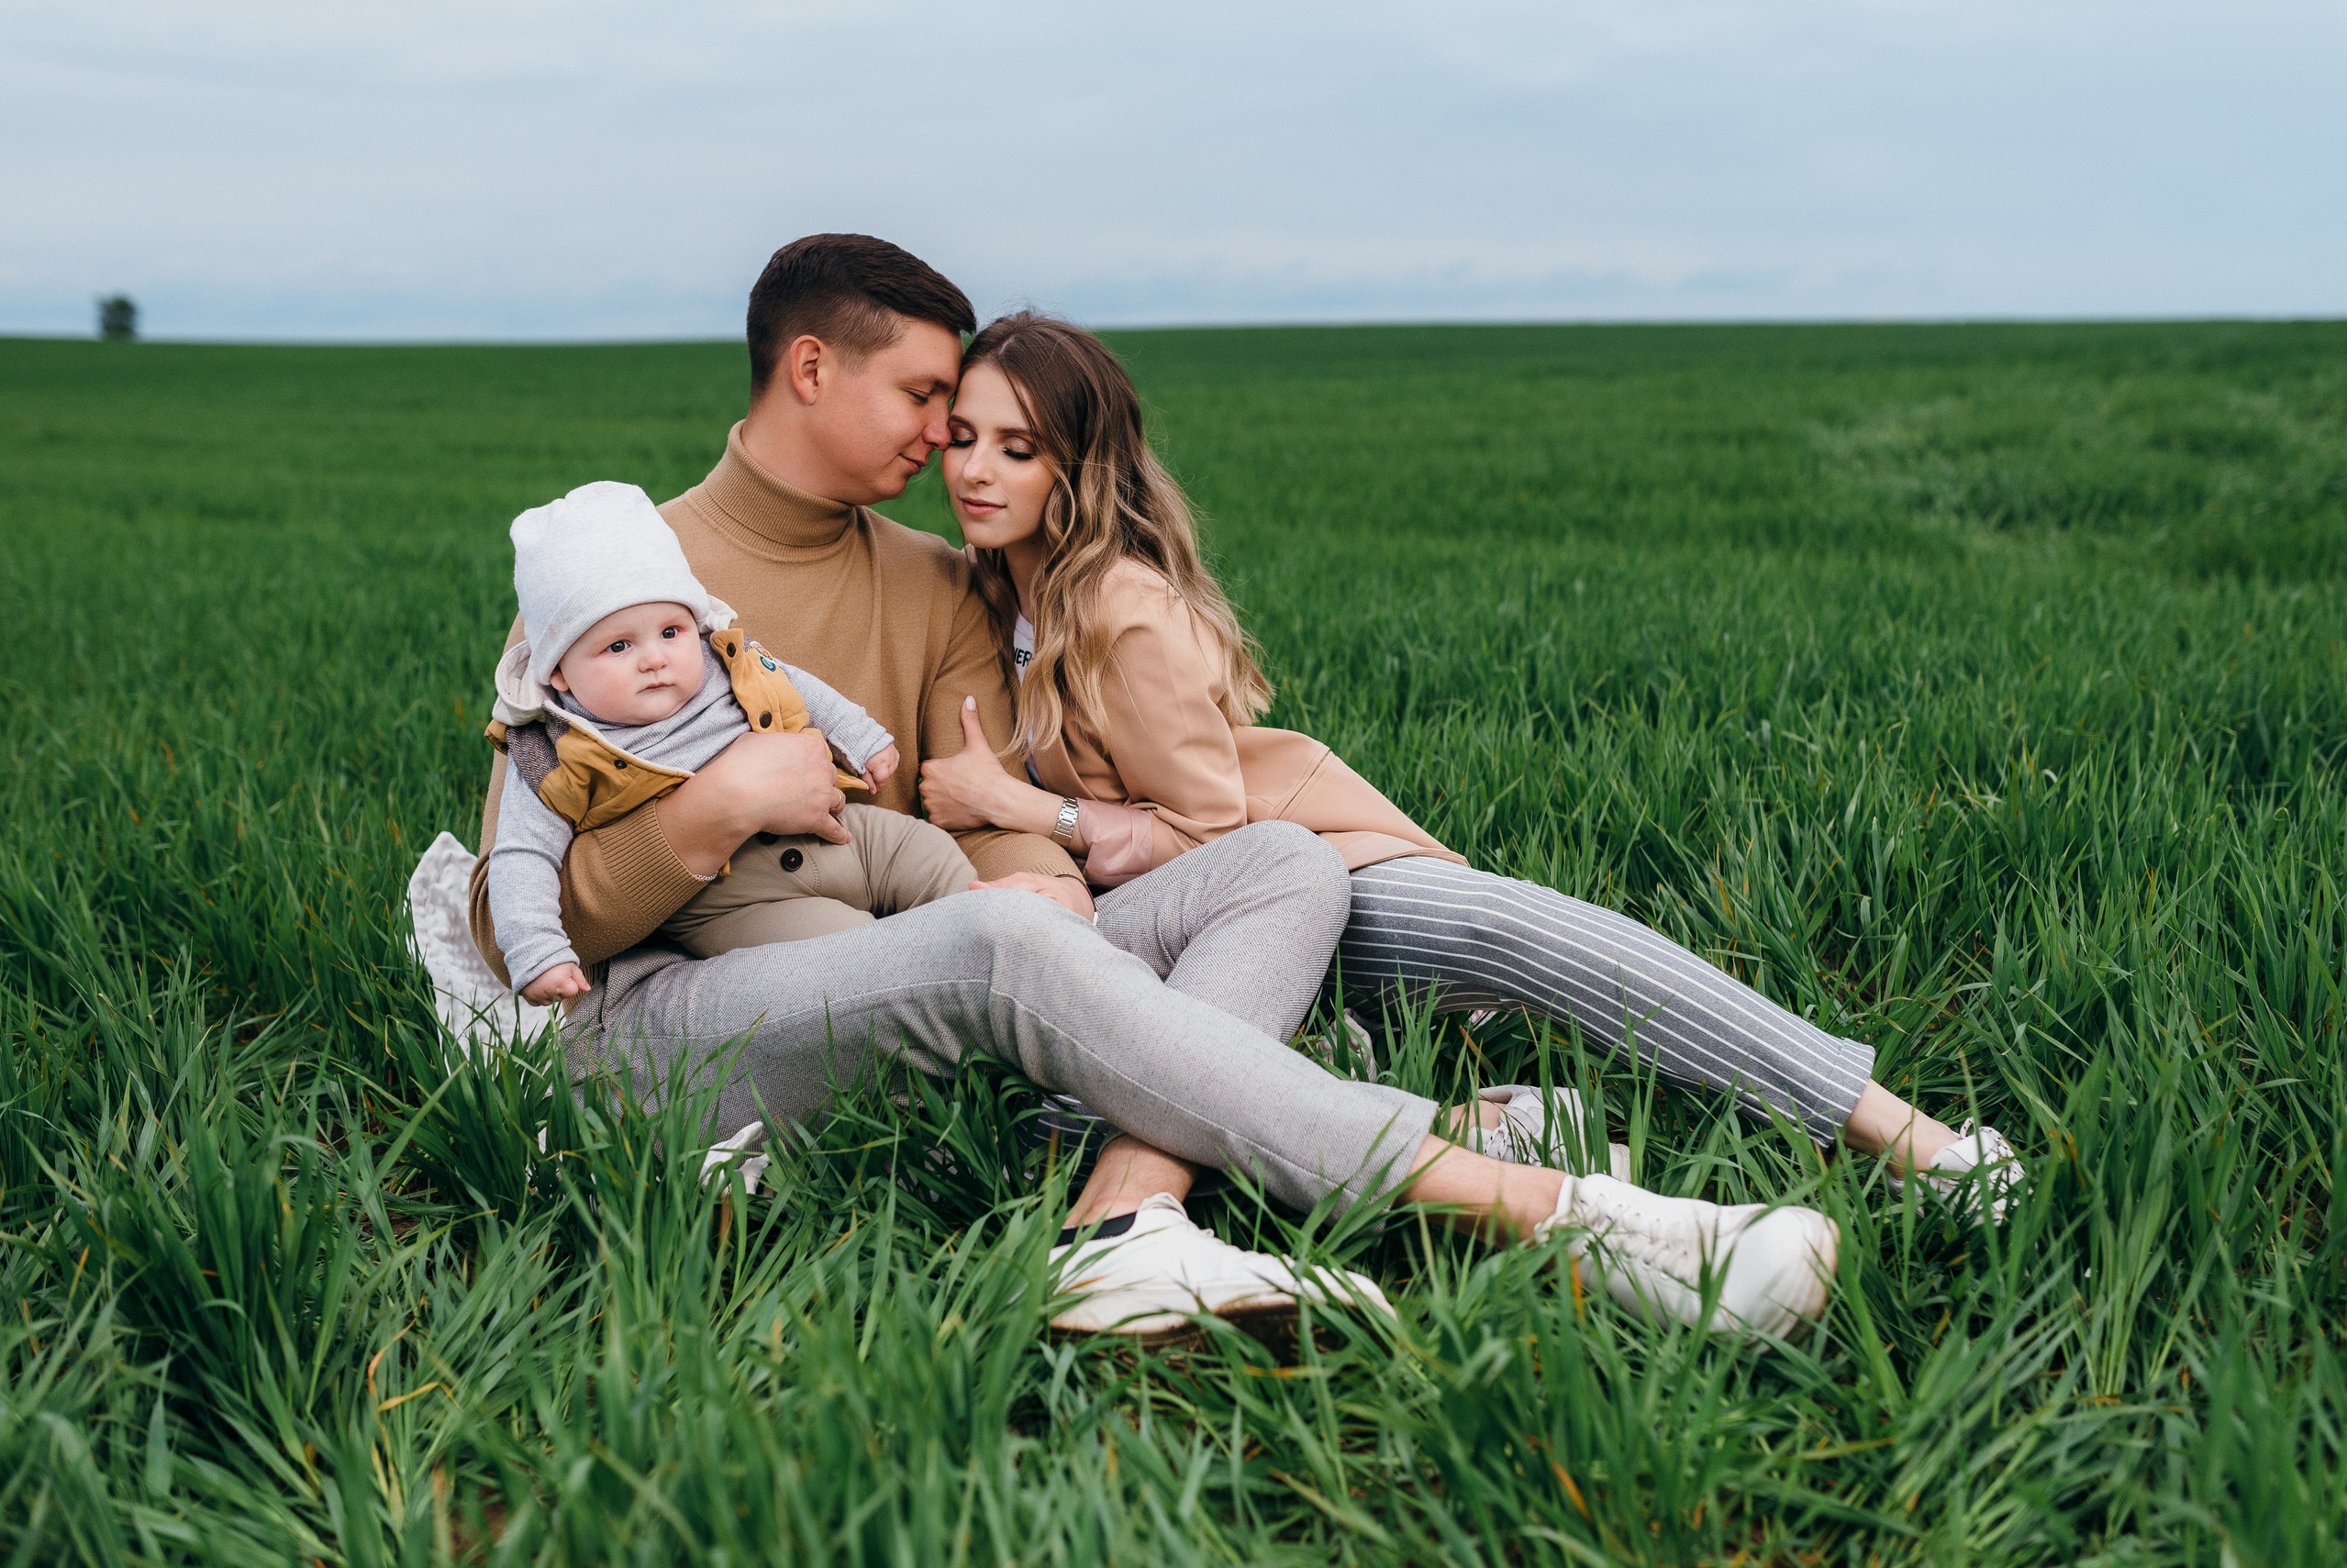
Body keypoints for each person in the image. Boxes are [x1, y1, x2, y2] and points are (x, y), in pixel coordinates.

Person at [463, 236, 1840, 1347]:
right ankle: (1574, 1218)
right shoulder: (615, 583)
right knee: (1003, 945)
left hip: (914, 951)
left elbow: (987, 815)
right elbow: (526, 920)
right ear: (810, 369)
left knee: (1276, 864)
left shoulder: (937, 582)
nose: (948, 436)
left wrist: (1048, 878)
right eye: (926, 398)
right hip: (679, 1029)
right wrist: (714, 809)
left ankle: (1125, 1219)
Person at [916, 312, 2025, 1225]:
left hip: (1299, 865)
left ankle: (1907, 1136)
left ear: (1077, 462)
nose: (973, 469)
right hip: (1166, 925)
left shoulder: (1118, 604)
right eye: (961, 436)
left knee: (1518, 931)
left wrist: (1024, 808)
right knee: (1042, 1105)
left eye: (1015, 447)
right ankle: (1490, 1129)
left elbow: (1220, 835)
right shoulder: (993, 585)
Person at [482, 479, 976, 1007]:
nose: (655, 658)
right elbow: (522, 855)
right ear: (558, 672)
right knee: (851, 945)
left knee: (923, 854)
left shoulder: (723, 661)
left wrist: (862, 739)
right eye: (619, 646)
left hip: (840, 832)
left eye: (671, 631)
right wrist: (538, 952)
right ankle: (949, 988)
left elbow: (800, 687)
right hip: (733, 901)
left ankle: (986, 922)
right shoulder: (554, 751)